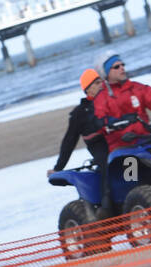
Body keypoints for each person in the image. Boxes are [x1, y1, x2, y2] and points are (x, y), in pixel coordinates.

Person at [54, 68, 113, 213]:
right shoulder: (79, 113)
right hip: (101, 150)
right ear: (88, 89)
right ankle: (107, 207)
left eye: (102, 82)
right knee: (110, 165)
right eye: (98, 83)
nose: (102, 85)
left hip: (120, 143)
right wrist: (58, 167)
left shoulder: (112, 101)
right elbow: (69, 141)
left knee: (135, 163)